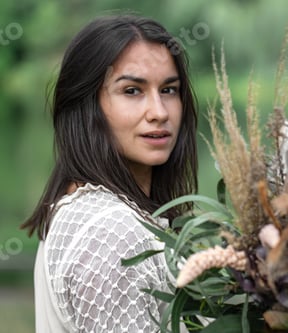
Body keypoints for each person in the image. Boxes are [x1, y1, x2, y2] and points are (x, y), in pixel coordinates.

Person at [21, 14, 198, 332]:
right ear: (87, 105)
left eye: (169, 90)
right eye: (132, 91)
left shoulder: (85, 210)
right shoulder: (111, 234)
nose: (159, 112)